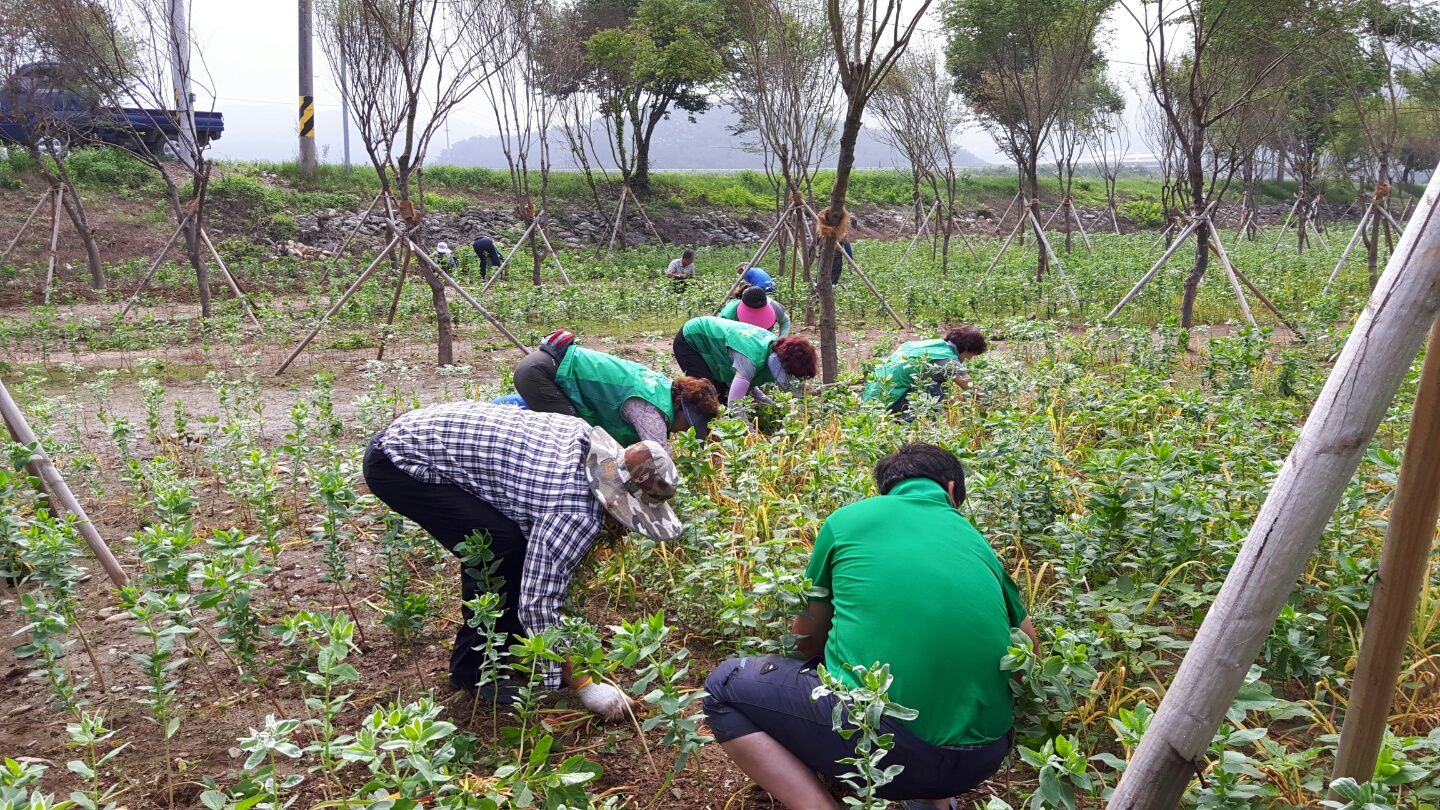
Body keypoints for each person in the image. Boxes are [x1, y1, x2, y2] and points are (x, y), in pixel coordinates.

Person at [704, 443, 1037, 810]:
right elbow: (1028, 649)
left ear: (888, 488)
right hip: (985, 756)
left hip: (884, 748)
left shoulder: (848, 520)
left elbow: (805, 636)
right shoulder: (978, 542)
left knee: (723, 686)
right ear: (952, 490)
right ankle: (933, 802)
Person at [363, 401, 683, 719]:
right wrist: (586, 686)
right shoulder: (571, 511)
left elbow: (542, 564)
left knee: (512, 546)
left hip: (421, 432)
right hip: (401, 461)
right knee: (497, 548)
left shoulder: (590, 446)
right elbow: (538, 602)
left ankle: (512, 646)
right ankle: (473, 674)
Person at [510, 330, 721, 448]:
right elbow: (658, 458)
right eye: (689, 424)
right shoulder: (652, 412)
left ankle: (503, 407)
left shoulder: (660, 387)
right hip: (541, 374)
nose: (687, 430)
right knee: (577, 440)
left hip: (545, 366)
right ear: (681, 407)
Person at [672, 316, 815, 406]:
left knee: (721, 393)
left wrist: (770, 404)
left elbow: (749, 385)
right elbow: (735, 404)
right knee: (706, 394)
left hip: (714, 336)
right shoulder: (751, 360)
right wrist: (750, 433)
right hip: (692, 337)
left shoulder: (773, 348)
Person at [862, 326, 987, 414]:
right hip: (888, 403)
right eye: (973, 354)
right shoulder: (947, 361)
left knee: (935, 380)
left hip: (872, 398)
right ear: (966, 348)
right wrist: (996, 405)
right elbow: (973, 389)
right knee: (936, 388)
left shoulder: (933, 345)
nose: (970, 359)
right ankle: (911, 421)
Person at [719, 285, 791, 337]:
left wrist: (782, 338)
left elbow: (785, 321)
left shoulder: (774, 306)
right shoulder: (729, 313)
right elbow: (718, 332)